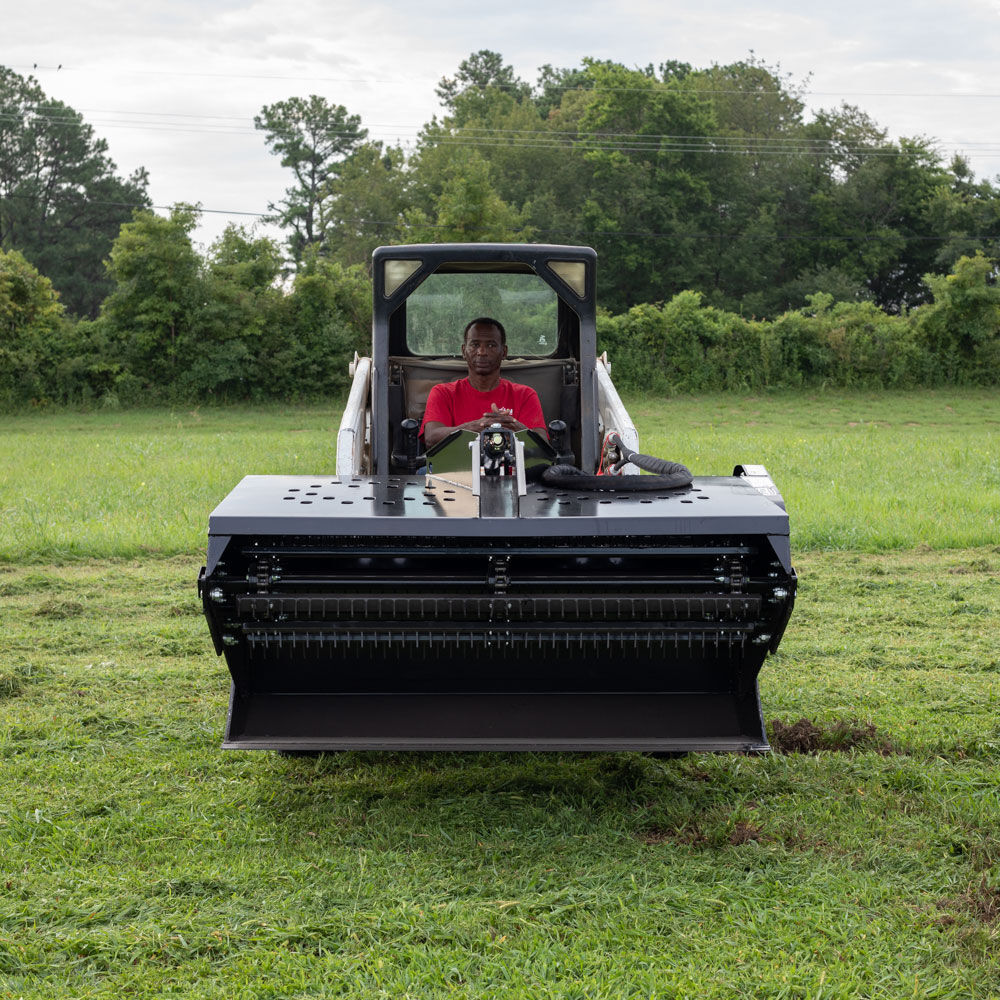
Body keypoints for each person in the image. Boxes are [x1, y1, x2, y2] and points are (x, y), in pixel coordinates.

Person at [419, 317, 547, 448]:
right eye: (475, 345)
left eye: (491, 345)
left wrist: (512, 425)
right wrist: (477, 426)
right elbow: (431, 438)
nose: (482, 352)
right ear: (464, 351)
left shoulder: (525, 394)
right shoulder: (442, 392)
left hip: (512, 467)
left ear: (504, 352)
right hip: (458, 468)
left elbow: (543, 445)